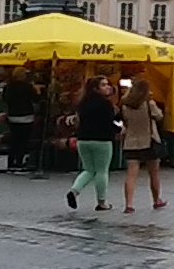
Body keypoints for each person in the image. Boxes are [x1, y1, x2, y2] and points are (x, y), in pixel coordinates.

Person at [68, 75, 120, 212]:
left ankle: (74, 191)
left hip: (83, 140)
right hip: (102, 140)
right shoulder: (105, 104)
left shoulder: (82, 103)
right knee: (102, 171)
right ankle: (102, 202)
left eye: (107, 84)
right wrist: (119, 129)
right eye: (103, 85)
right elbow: (109, 123)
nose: (108, 87)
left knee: (88, 170)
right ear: (95, 89)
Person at [121, 76, 167, 213]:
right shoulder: (149, 104)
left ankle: (129, 204)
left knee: (131, 175)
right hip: (149, 141)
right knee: (153, 173)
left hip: (131, 142)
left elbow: (125, 121)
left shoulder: (125, 105)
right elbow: (160, 116)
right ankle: (156, 200)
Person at [0, 70, 40, 172]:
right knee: (23, 141)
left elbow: (4, 99)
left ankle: (10, 162)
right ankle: (19, 162)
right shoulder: (27, 86)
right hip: (26, 117)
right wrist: (38, 91)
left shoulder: (8, 87)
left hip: (13, 116)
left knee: (14, 139)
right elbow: (36, 99)